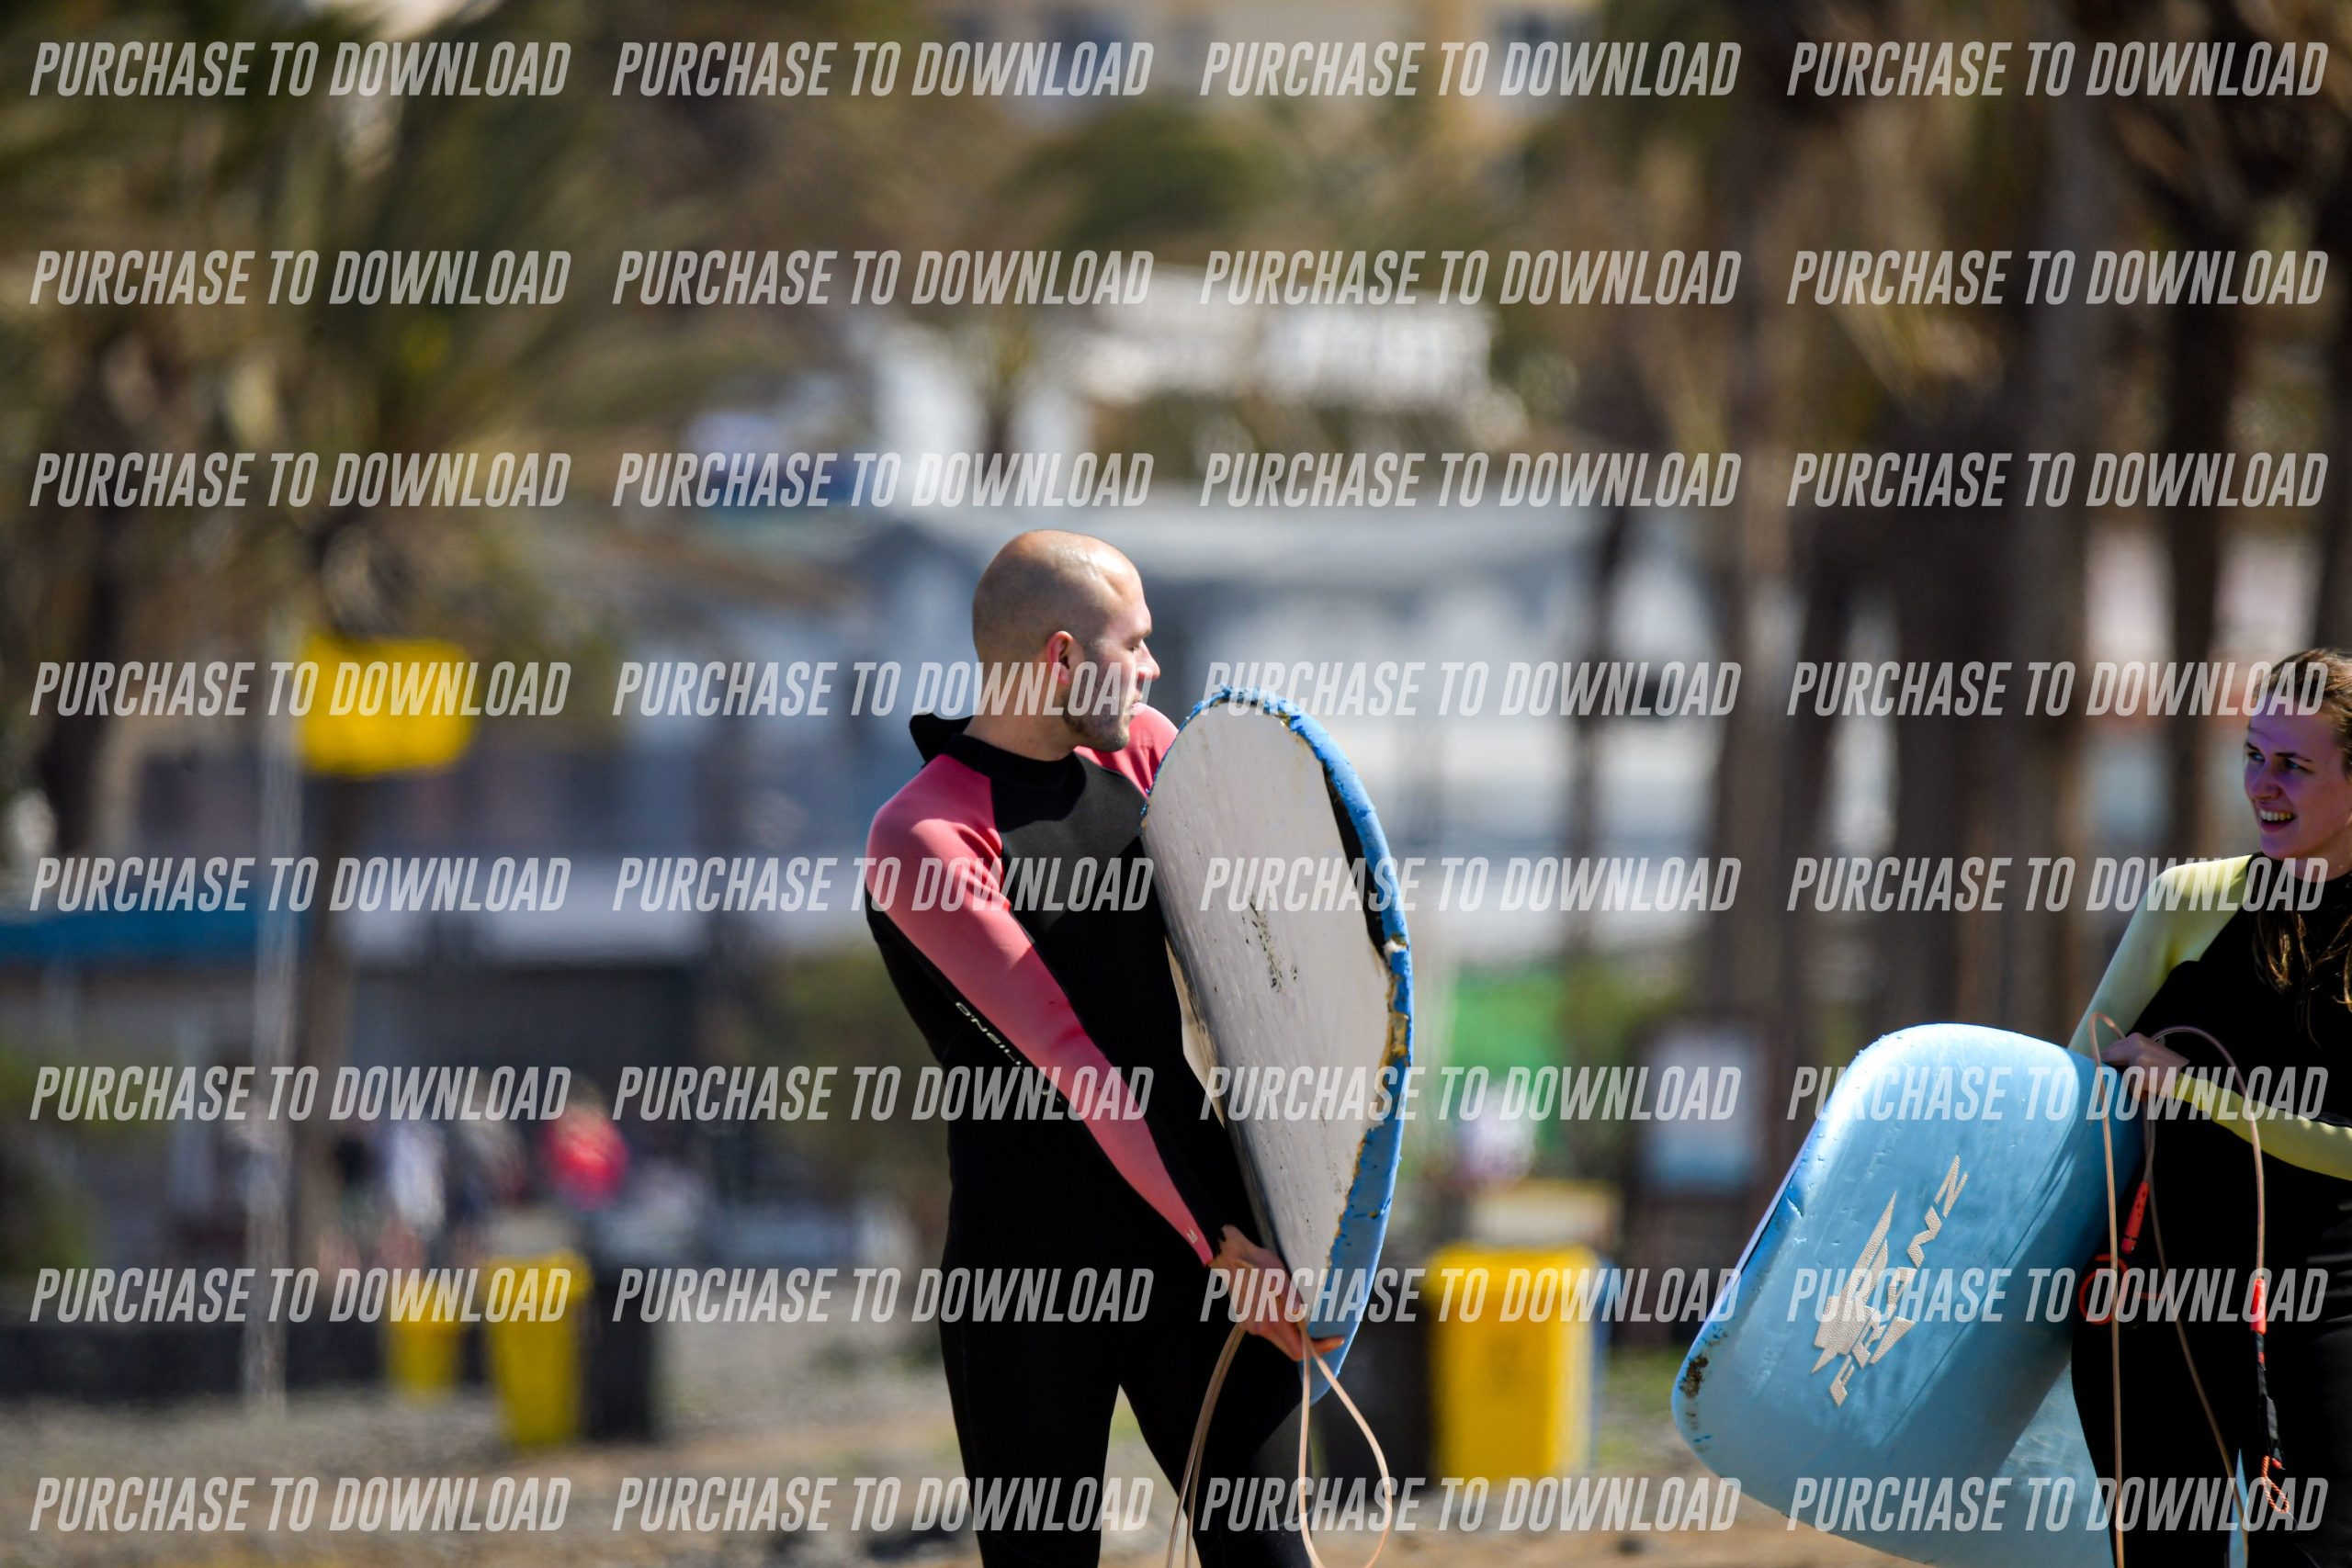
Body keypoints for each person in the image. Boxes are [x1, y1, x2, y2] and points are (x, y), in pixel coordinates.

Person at [864, 530, 1333, 1566]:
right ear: (1063, 657)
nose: (1154, 668)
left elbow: (1268, 974)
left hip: (1203, 1246)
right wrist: (1226, 1244)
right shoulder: (927, 838)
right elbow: (1077, 1062)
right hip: (1031, 1271)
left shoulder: (1147, 754)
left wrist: (1309, 1221)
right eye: (1136, 643)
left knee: (1270, 1556)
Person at [2069, 649, 2352, 1566]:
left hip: (2324, 1306)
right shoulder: (2189, 900)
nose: (2262, 785)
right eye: (2253, 755)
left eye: (2293, 765)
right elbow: (2077, 1091)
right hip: (2154, 1301)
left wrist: (2192, 1087)